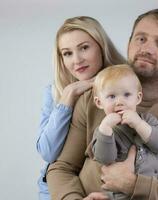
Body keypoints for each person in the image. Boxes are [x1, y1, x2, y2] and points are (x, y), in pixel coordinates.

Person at [47, 9, 158, 200]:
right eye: (141, 39)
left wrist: (133, 184)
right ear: (129, 44)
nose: (146, 49)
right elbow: (61, 168)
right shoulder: (95, 97)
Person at [36, 16, 125, 200]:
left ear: (101, 46)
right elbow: (48, 152)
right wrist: (69, 95)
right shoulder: (55, 92)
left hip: (101, 189)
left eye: (84, 48)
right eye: (67, 53)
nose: (77, 60)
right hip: (55, 189)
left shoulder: (123, 82)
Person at [89, 64, 158, 199]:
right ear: (99, 102)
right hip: (123, 196)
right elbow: (105, 159)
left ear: (138, 98)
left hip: (154, 192)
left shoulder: (148, 120)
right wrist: (105, 129)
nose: (119, 102)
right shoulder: (103, 131)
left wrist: (139, 124)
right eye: (111, 96)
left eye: (127, 95)